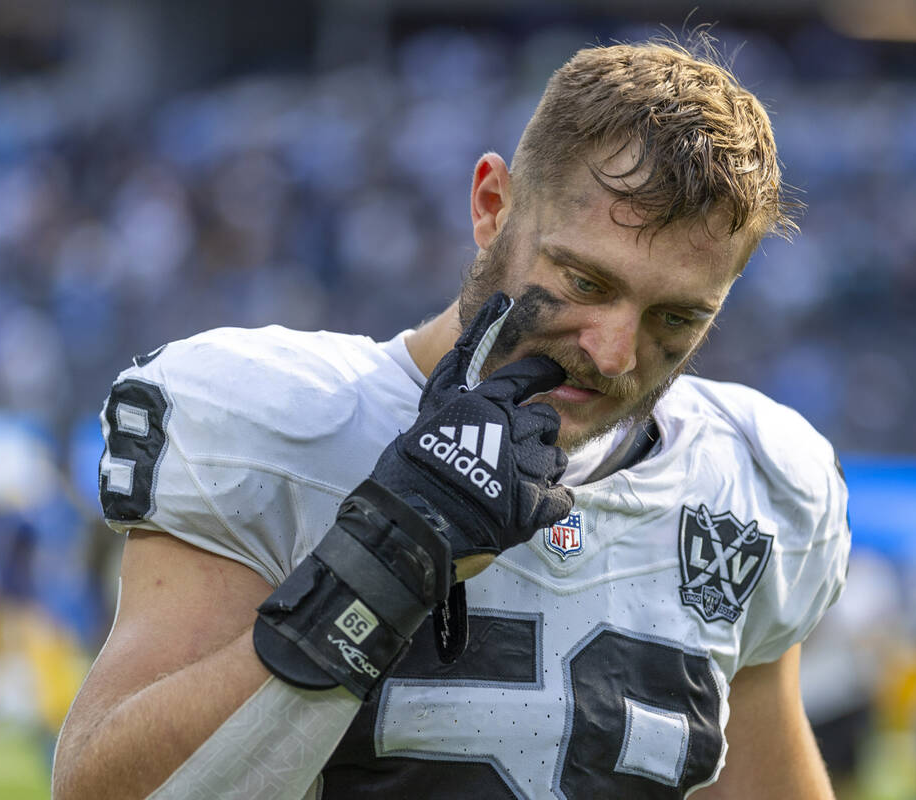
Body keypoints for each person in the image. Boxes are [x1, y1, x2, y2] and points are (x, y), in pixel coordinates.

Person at [53, 37, 851, 800]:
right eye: (583, 280)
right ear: (492, 207)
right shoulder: (281, 420)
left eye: (676, 319)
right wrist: (388, 559)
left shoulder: (754, 481)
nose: (613, 354)